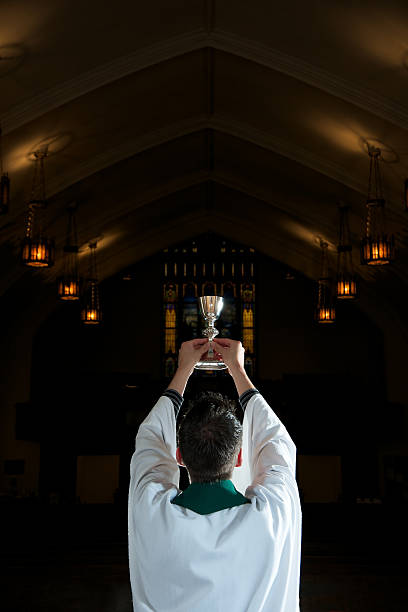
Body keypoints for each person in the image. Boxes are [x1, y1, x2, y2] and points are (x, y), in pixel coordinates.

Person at [128, 338, 302, 612]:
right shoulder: (272, 516)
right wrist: (237, 370)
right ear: (241, 456)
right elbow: (276, 445)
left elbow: (150, 441)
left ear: (179, 457)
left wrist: (183, 368)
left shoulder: (151, 513)